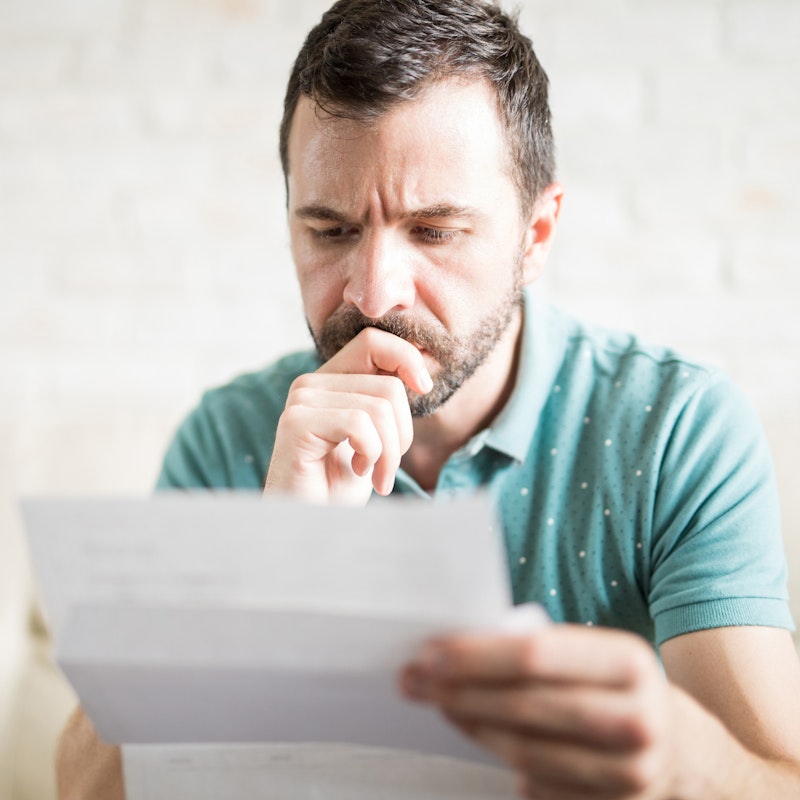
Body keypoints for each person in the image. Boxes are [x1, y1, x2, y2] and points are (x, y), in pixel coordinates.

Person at [57, 0, 800, 797]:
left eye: (436, 231)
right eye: (331, 231)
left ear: (535, 237)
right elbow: (85, 787)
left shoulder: (675, 430)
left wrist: (678, 755)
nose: (375, 294)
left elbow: (779, 776)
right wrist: (266, 561)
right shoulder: (230, 436)